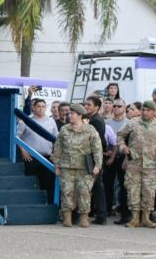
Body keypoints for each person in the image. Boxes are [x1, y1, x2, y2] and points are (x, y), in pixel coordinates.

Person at [117, 101, 156, 228]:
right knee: (132, 190)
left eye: (148, 110)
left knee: (149, 191)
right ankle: (134, 218)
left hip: (151, 164)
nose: (145, 112)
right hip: (134, 162)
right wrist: (123, 147)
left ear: (153, 111)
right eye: (143, 110)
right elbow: (120, 136)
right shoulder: (133, 122)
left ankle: (146, 218)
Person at [52, 103, 102, 227]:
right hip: (67, 167)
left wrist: (98, 165)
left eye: (72, 114)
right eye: (69, 114)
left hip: (85, 168)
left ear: (80, 115)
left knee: (84, 192)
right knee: (67, 192)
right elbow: (58, 148)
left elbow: (97, 148)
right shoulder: (64, 129)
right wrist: (57, 165)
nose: (69, 116)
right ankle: (67, 217)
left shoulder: (90, 129)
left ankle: (84, 217)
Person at [15, 96, 58, 202]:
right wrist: (23, 150)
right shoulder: (26, 120)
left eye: (43, 106)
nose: (41, 108)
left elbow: (57, 139)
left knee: (47, 183)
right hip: (30, 157)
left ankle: (47, 204)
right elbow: (16, 136)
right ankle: (30, 203)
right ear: (33, 108)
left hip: (47, 158)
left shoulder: (51, 121)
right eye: (38, 106)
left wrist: (55, 155)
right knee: (30, 183)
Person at [83, 95, 110, 224]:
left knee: (96, 185)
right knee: (95, 186)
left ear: (97, 107)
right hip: (92, 156)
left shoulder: (96, 121)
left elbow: (97, 142)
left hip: (94, 157)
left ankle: (101, 215)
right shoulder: (90, 119)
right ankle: (99, 214)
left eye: (89, 105)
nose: (86, 106)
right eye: (85, 104)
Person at [105, 97, 131, 224]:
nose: (116, 108)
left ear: (125, 108)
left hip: (123, 157)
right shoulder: (107, 123)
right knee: (107, 184)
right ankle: (107, 209)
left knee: (123, 185)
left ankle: (123, 211)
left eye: (119, 106)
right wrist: (108, 151)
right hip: (110, 157)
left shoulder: (129, 123)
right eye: (114, 106)